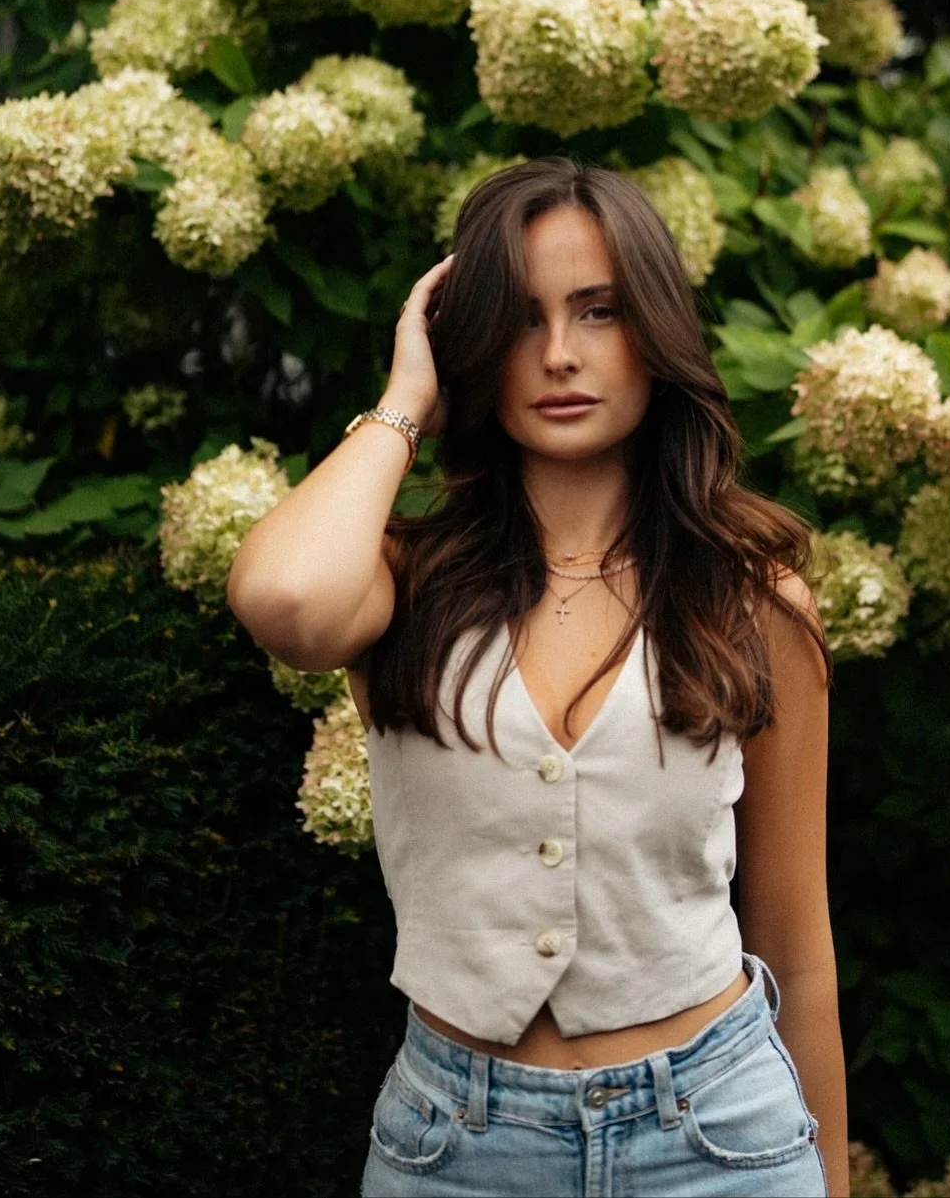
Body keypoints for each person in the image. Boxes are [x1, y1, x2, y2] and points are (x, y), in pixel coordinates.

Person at [227, 156, 847, 1197]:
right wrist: (403, 400)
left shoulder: (751, 596)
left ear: (655, 331)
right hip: (456, 1147)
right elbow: (286, 599)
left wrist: (830, 1180)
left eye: (599, 311)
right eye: (518, 319)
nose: (560, 354)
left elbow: (795, 936)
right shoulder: (400, 583)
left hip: (721, 1135)